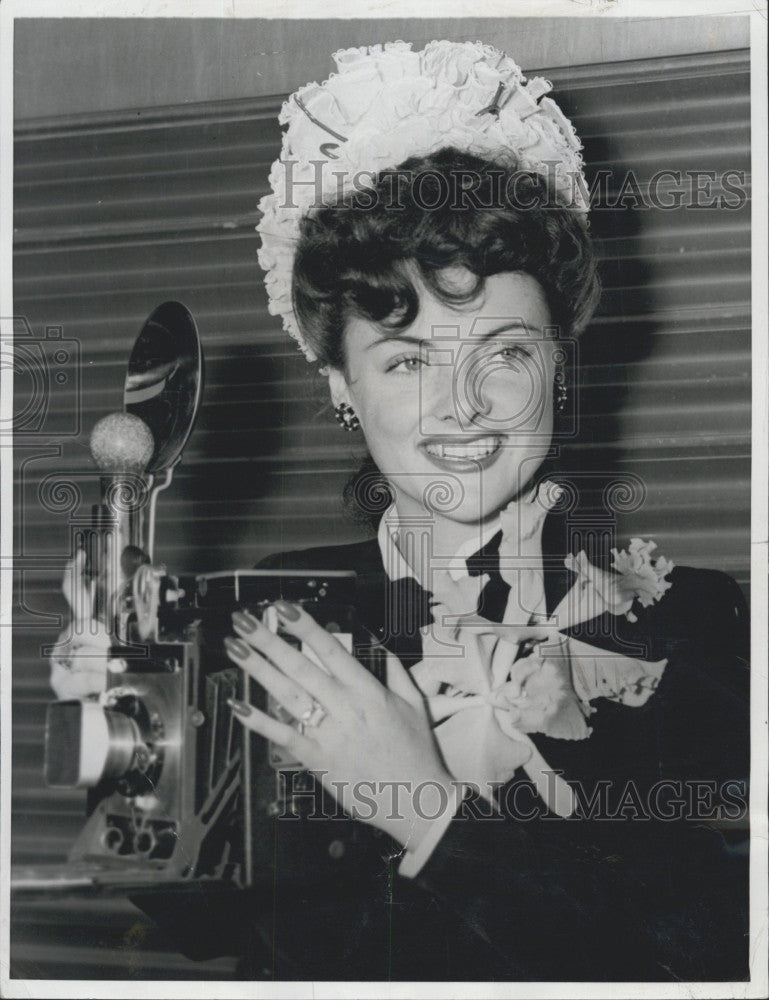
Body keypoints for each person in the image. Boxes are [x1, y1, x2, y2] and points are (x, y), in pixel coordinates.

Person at [52, 41, 750, 982]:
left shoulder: (687, 625)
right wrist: (122, 726)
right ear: (342, 382)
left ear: (559, 363)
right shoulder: (269, 612)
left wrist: (423, 805)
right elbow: (202, 917)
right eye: (407, 361)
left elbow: (696, 962)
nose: (461, 406)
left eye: (503, 352)